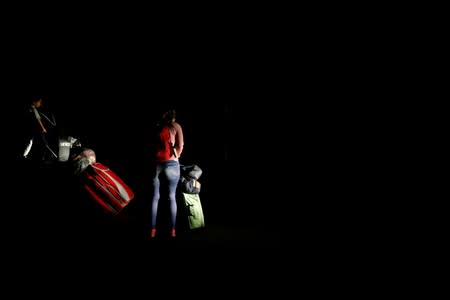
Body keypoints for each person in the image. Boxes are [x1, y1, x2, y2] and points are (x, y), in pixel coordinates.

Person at [150, 108, 184, 238]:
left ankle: (152, 230)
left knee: (155, 198)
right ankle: (172, 230)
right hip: (172, 163)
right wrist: (176, 155)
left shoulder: (157, 126)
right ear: (173, 117)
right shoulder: (176, 126)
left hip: (156, 163)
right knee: (171, 197)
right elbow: (181, 145)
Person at [22, 97, 57, 162]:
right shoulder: (33, 109)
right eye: (39, 102)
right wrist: (43, 128)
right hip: (30, 129)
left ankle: (25, 155)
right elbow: (38, 119)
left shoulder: (30, 108)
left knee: (31, 142)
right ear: (34, 102)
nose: (40, 104)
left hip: (29, 129)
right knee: (30, 142)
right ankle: (24, 155)